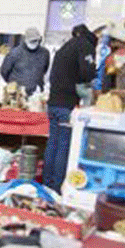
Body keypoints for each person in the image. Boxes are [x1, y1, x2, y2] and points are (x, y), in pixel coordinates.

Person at [43, 23, 97, 192]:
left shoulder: (65, 46)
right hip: (67, 104)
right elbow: (87, 72)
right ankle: (57, 186)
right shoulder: (85, 46)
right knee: (64, 146)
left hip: (53, 102)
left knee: (53, 143)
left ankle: (47, 184)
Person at [0, 27, 50, 95]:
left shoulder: (45, 53)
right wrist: (12, 85)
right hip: (17, 94)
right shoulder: (14, 53)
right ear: (25, 40)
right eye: (31, 41)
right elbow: (4, 71)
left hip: (36, 94)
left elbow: (44, 70)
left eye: (36, 40)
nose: (34, 43)